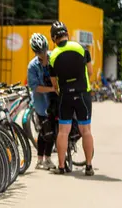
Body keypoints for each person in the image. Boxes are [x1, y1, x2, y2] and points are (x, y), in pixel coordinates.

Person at [48, 21, 95, 176]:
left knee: (63, 131)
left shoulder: (53, 56)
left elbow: (54, 84)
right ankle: (88, 166)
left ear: (54, 38)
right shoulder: (81, 48)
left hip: (65, 96)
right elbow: (90, 71)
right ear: (67, 34)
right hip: (83, 93)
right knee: (86, 131)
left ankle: (61, 167)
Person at [27, 33, 58, 170]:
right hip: (41, 102)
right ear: (35, 52)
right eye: (40, 52)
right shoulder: (32, 66)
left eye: (44, 50)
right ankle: (40, 160)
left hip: (54, 101)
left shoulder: (54, 57)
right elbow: (35, 87)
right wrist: (52, 88)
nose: (43, 54)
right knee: (44, 131)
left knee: (52, 130)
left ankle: (47, 159)